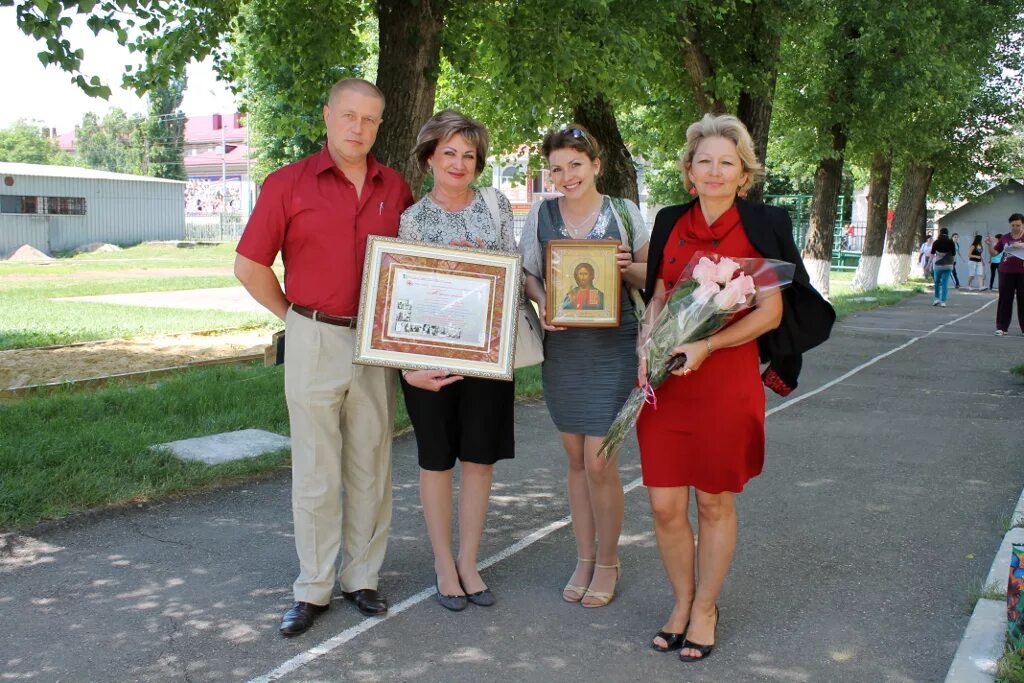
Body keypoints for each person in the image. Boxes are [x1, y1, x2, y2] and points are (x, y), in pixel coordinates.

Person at [637, 113, 833, 662]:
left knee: (715, 503)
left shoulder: (765, 223)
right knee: (664, 506)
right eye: (705, 162)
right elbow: (657, 297)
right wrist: (645, 346)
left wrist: (708, 346)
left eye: (728, 162)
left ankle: (704, 608)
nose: (716, 171)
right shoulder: (669, 220)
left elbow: (770, 314)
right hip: (668, 383)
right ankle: (680, 601)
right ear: (689, 172)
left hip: (724, 380)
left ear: (743, 174)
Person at [234, 78, 414, 637]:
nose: (358, 128)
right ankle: (313, 586)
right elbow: (249, 265)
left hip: (375, 342)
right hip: (312, 332)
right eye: (348, 116)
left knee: (371, 465)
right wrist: (291, 317)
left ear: (379, 125)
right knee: (315, 469)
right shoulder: (287, 184)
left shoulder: (397, 187)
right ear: (328, 115)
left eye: (369, 120)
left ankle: (362, 578)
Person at [519, 125, 649, 608]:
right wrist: (544, 302)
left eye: (576, 164)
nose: (566, 175)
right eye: (556, 167)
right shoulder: (541, 214)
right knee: (575, 460)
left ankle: (609, 561)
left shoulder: (623, 212)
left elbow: (649, 274)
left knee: (600, 461)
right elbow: (530, 275)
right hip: (565, 352)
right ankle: (584, 557)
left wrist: (622, 266)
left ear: (596, 164)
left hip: (613, 349)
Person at [397, 110, 516, 611]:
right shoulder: (412, 219)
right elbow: (398, 293)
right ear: (429, 158)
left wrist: (482, 266)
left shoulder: (496, 207)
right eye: (448, 152)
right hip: (428, 361)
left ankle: (470, 561)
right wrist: (406, 366)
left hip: (487, 355)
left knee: (480, 459)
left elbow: (513, 268)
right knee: (436, 459)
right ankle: (444, 564)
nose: (459, 162)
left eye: (469, 155)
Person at [986, 214, 1024, 335]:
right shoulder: (1005, 238)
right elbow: (994, 253)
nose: (1015, 227)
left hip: (1022, 272)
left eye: (1018, 225)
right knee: (1005, 299)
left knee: (1022, 299)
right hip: (1006, 271)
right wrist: (989, 245)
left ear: (1022, 224)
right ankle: (1002, 327)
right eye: (1013, 225)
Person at [930, 228, 956, 307]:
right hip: (948, 265)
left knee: (937, 282)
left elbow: (932, 254)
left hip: (938, 265)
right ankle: (943, 301)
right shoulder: (951, 242)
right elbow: (953, 254)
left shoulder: (936, 242)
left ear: (940, 233)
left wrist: (928, 265)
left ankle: (936, 299)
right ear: (948, 234)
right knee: (945, 283)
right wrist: (953, 264)